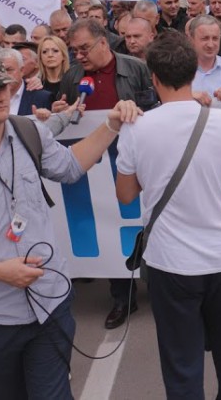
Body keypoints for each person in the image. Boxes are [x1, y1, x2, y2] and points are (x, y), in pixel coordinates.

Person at [0, 53, 140, 399]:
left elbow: (69, 167)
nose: (0, 96)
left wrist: (111, 125)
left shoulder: (28, 131)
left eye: (4, 87)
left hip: (51, 303)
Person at [116, 32, 221, 399]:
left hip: (170, 262)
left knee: (181, 362)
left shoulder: (136, 128)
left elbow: (125, 195)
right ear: (194, 72)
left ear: (154, 78)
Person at [57, 19, 158, 328]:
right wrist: (61, 110)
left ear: (103, 42)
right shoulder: (73, 76)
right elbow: (68, 118)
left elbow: (155, 107)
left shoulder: (135, 68)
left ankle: (159, 284)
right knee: (110, 227)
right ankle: (122, 297)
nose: (79, 56)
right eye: (74, 51)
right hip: (97, 166)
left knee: (146, 223)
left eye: (84, 49)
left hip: (136, 160)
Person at [37, 36, 70, 101]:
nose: (50, 55)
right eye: (44, 52)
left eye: (55, 51)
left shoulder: (72, 82)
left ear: (63, 55)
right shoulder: (37, 84)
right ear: (40, 57)